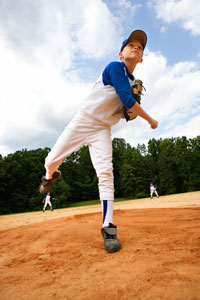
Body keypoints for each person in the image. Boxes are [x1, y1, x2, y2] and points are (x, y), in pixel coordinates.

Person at [39, 29, 158, 253]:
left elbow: (124, 111)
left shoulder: (132, 83)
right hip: (82, 121)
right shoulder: (115, 67)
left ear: (141, 58)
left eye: (140, 47)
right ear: (121, 53)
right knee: (51, 159)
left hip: (101, 129)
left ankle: (108, 228)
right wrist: (149, 119)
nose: (135, 47)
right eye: (130, 44)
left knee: (105, 173)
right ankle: (49, 176)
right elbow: (126, 100)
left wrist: (127, 114)